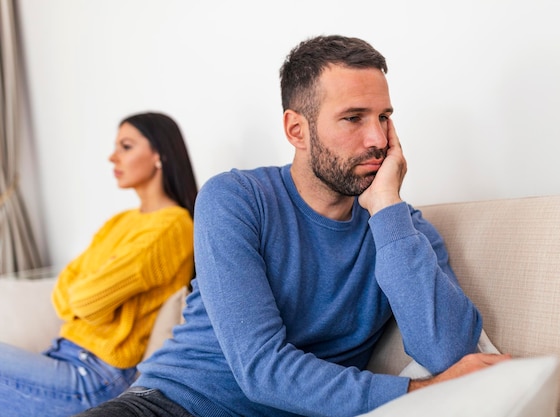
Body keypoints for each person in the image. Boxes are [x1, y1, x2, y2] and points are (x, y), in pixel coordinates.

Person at [75, 36, 511, 417]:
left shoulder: (398, 227)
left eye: (384, 117)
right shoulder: (235, 198)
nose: (377, 139)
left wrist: (387, 209)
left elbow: (451, 356)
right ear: (296, 130)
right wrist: (419, 395)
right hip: (173, 404)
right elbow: (261, 370)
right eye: (353, 117)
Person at [0, 112, 198, 417]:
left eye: (126, 146)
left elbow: (85, 300)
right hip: (62, 356)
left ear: (160, 154)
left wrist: (88, 289)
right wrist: (90, 289)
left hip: (95, 376)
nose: (112, 157)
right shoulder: (120, 222)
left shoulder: (174, 227)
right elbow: (64, 290)